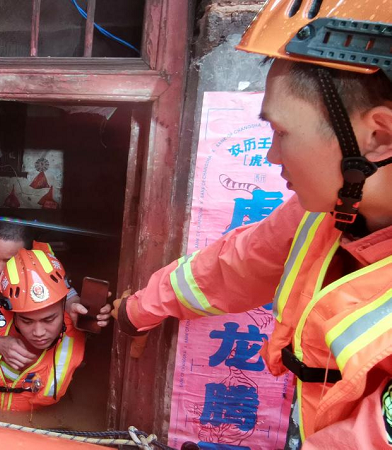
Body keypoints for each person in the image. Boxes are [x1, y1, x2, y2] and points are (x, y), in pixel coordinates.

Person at [112, 1, 392, 448]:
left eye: (281, 133)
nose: (272, 158)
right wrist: (140, 308)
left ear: (378, 137)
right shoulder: (322, 216)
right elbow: (233, 266)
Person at [0, 221, 111, 383]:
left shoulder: (42, 264)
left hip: (28, 357)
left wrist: (78, 310)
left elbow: (70, 298)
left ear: (29, 254)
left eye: (10, 260)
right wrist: (0, 345)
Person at [0, 249, 85, 411]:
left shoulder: (77, 334)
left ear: (63, 306)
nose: (39, 332)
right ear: (12, 313)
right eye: (27, 320)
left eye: (49, 319)